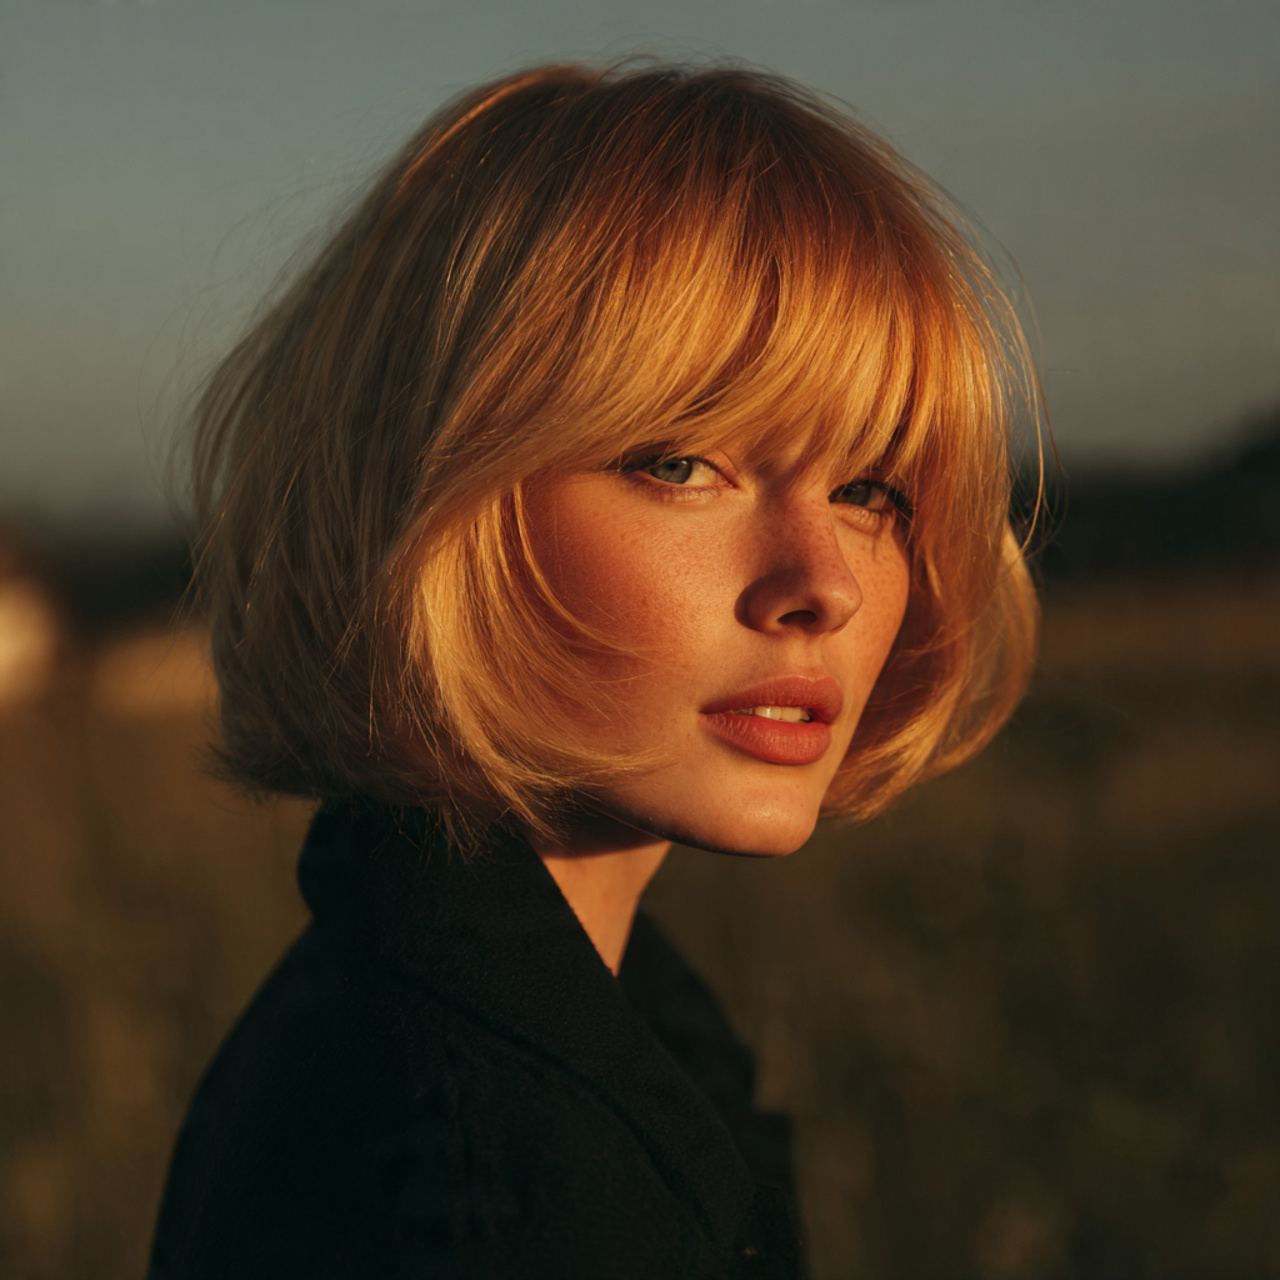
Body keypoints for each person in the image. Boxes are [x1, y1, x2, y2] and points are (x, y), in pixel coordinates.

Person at [148, 61, 1040, 1279]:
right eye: (679, 462)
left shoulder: (477, 1027)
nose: (821, 582)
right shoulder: (497, 1182)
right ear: (418, 486)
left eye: (868, 486)